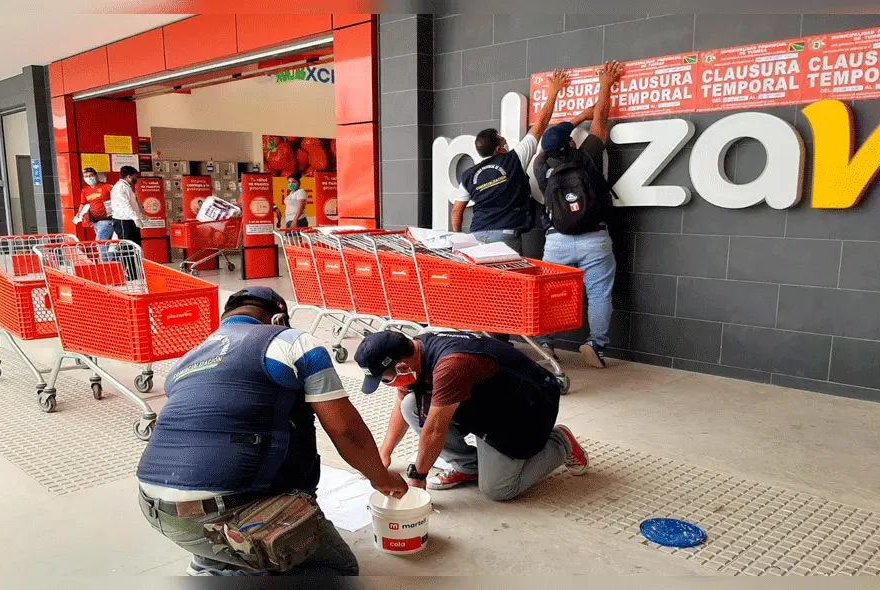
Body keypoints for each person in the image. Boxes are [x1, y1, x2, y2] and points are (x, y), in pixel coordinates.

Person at [136, 287, 408, 576]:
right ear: (279, 319)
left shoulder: (187, 359)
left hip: (156, 508)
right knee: (337, 567)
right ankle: (236, 560)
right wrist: (381, 478)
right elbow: (346, 431)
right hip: (225, 510)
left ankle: (213, 560)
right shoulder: (292, 341)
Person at [355, 330, 588, 501]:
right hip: (486, 401)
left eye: (385, 379)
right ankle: (469, 467)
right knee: (409, 406)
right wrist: (383, 454)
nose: (387, 385)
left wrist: (418, 477)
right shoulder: (414, 351)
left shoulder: (451, 365)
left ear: (402, 366)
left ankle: (561, 443)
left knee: (498, 489)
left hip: (526, 408)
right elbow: (402, 403)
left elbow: (435, 429)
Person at [535, 61, 625, 369]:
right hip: (593, 238)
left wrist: (571, 119)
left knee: (551, 296)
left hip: (556, 241)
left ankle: (546, 343)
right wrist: (606, 84)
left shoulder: (541, 164)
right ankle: (595, 345)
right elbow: (601, 119)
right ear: (572, 142)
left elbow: (553, 141)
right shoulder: (587, 155)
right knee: (599, 295)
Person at [449, 69, 570, 254]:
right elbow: (540, 126)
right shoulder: (515, 159)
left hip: (475, 235)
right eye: (502, 139)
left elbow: (457, 211)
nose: (505, 141)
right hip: (504, 236)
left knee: (482, 283)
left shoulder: (468, 176)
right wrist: (553, 92)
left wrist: (458, 240)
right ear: (499, 148)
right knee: (507, 282)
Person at [110, 166, 145, 279]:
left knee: (135, 247)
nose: (136, 179)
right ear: (129, 176)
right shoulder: (120, 188)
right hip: (123, 221)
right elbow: (125, 206)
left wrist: (139, 215)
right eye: (135, 177)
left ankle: (135, 273)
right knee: (128, 248)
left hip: (129, 221)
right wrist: (135, 218)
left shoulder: (127, 187)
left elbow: (133, 203)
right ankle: (130, 274)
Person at [80, 168, 115, 240]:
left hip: (107, 221)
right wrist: (79, 215)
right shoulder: (85, 191)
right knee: (106, 245)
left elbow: (118, 197)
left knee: (101, 244)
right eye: (86, 176)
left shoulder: (106, 186)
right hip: (96, 222)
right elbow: (83, 204)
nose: (89, 178)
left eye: (91, 175)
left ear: (96, 176)